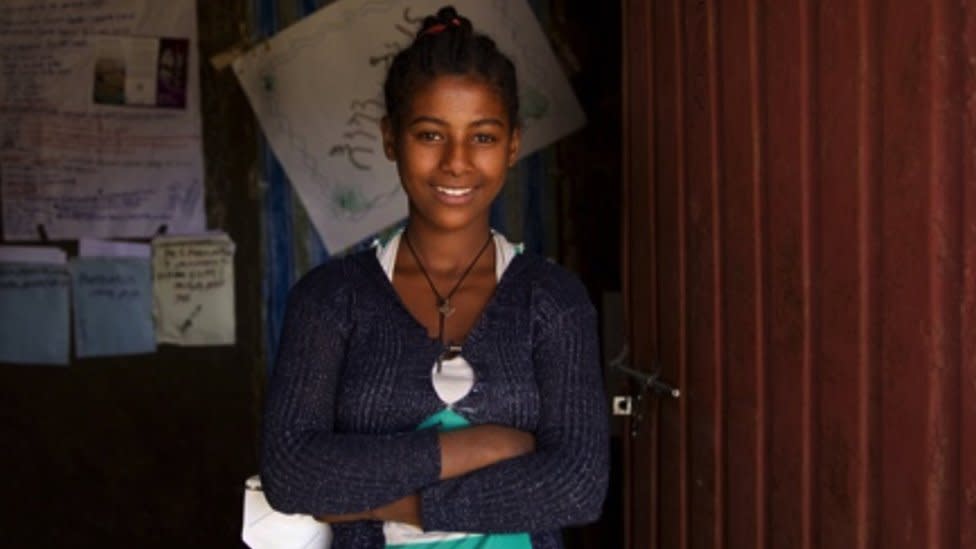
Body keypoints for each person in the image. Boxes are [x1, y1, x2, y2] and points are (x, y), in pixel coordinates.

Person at [260, 6, 609, 548]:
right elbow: (293, 473)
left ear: (513, 146)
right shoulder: (332, 300)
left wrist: (391, 503)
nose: (456, 162)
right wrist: (484, 445)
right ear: (391, 139)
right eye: (430, 135)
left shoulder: (553, 300)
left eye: (484, 138)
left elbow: (577, 486)